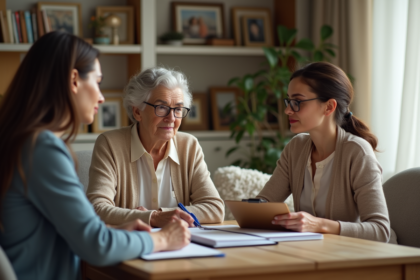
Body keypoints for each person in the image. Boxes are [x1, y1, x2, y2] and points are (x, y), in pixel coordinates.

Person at [0, 31, 190, 280]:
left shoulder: (20, 140)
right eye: (98, 82)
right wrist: (163, 238)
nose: (101, 96)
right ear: (74, 80)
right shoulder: (42, 148)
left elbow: (67, 230)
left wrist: (116, 230)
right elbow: (95, 245)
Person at [257, 62, 392, 243]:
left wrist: (319, 225)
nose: (288, 110)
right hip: (314, 253)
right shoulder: (295, 148)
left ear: (329, 107)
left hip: (359, 258)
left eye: (297, 102)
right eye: (289, 101)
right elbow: (264, 204)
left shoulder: (357, 152)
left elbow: (380, 231)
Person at [86, 67, 224, 228]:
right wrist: (153, 218)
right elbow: (96, 208)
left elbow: (214, 208)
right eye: (162, 107)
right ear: (137, 112)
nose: (171, 118)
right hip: (133, 246)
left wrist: (159, 214)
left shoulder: (189, 146)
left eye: (178, 109)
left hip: (180, 246)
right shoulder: (110, 144)